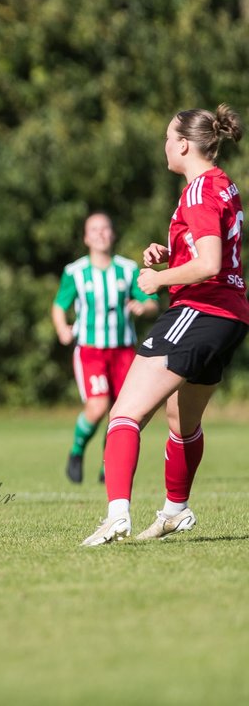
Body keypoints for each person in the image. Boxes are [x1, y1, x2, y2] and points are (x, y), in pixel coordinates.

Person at [82, 104, 249, 546]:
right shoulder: (222, 184)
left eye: (166, 138)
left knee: (125, 414)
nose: (164, 145)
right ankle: (175, 511)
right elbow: (211, 251)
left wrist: (158, 279)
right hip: (230, 316)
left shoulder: (197, 191)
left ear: (182, 145)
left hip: (200, 311)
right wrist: (172, 255)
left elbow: (210, 263)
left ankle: (117, 515)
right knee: (181, 420)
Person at [52, 213, 158, 485]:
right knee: (98, 407)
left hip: (123, 350)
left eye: (105, 229)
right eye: (94, 230)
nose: (100, 234)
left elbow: (151, 300)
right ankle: (76, 452)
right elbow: (59, 305)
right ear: (86, 237)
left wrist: (143, 306)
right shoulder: (75, 272)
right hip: (91, 350)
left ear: (113, 234)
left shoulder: (127, 269)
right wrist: (63, 327)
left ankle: (108, 465)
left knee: (122, 411)